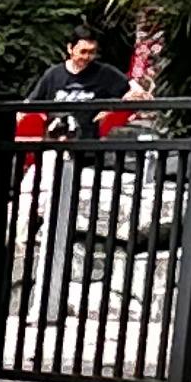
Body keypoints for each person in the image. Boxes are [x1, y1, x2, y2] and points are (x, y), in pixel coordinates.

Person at [24, 31, 135, 329]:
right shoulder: (53, 76)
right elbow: (31, 105)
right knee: (47, 213)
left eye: (91, 52)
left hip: (88, 155)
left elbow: (136, 93)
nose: (86, 57)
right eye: (82, 51)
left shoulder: (105, 75)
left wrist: (111, 110)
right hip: (53, 150)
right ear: (69, 48)